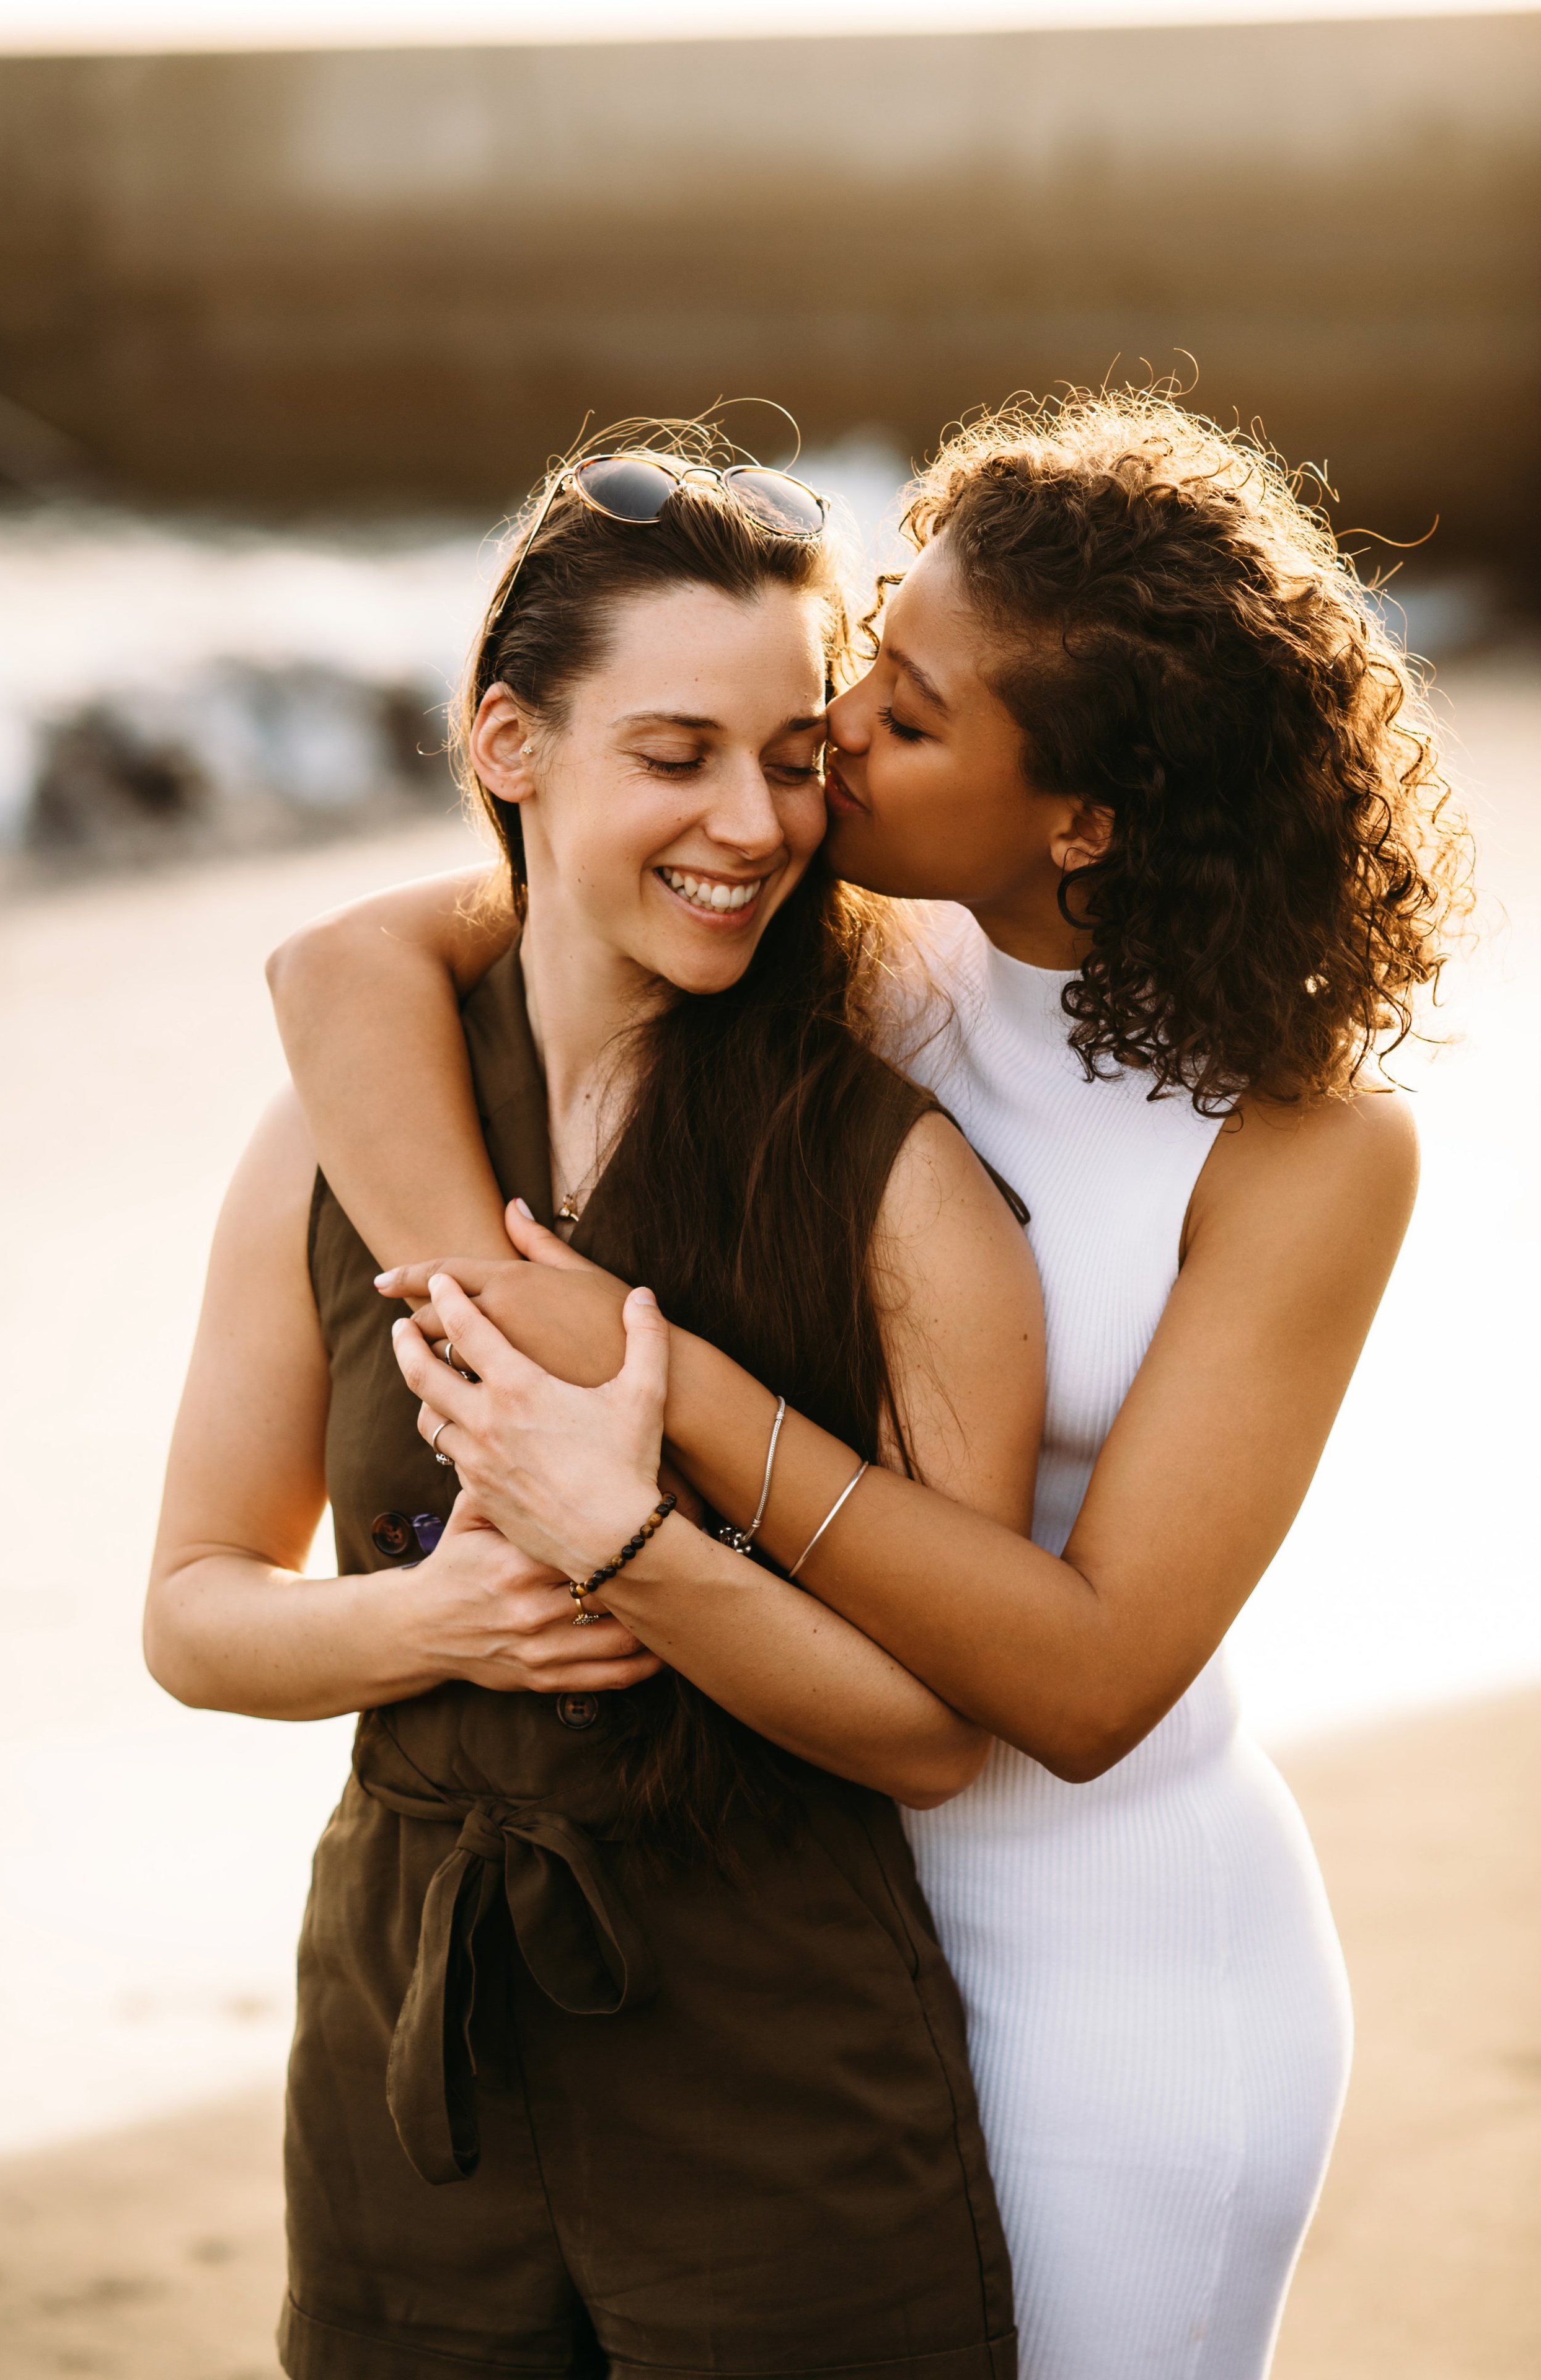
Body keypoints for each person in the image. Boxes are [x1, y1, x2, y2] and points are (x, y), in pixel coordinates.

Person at [270, 389, 1470, 2380]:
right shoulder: (852, 944)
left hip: (1112, 1957)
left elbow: (1086, 1687)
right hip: (807, 1941)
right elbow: (340, 969)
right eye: (867, 659)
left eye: (901, 716)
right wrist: (486, 1304)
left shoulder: (1305, 1149)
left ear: (1081, 813)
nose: (820, 750)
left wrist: (654, 1401)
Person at [146, 433, 1040, 2380]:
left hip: (774, 2049)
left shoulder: (901, 1185)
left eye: (793, 753)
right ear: (508, 748)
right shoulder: (331, 1132)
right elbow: (198, 1608)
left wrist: (625, 1553)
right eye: (674, 752)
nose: (754, 818)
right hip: (408, 2034)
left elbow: (933, 1732)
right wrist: (426, 1621)